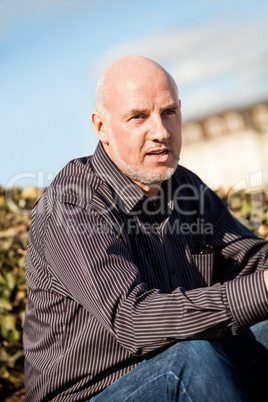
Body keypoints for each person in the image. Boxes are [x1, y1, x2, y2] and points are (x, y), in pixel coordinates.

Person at [23, 56, 268, 402]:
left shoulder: (185, 187)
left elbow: (252, 260)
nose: (161, 132)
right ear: (102, 128)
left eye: (169, 113)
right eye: (138, 117)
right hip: (91, 393)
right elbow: (134, 320)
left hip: (185, 363)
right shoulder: (72, 202)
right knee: (190, 360)